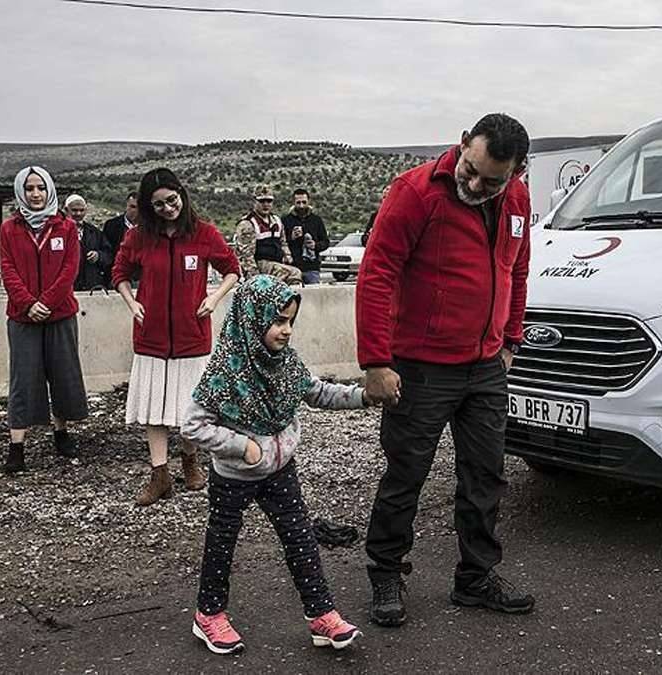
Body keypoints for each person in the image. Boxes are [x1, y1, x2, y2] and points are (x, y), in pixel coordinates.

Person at [356, 113, 535, 626]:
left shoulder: (517, 201)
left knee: (485, 477)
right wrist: (375, 361)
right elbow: (377, 273)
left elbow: (516, 270)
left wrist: (510, 342)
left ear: (517, 173)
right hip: (421, 367)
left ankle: (476, 580)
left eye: (492, 180)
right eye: (471, 168)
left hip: (485, 366)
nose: (475, 184)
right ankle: (386, 573)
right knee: (405, 475)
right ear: (461, 145)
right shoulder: (413, 193)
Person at [181, 275, 367, 655]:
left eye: (290, 322)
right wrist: (241, 446)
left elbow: (318, 393)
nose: (285, 331)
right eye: (278, 321)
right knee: (222, 546)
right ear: (252, 319)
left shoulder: (286, 364)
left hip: (280, 470)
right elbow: (193, 426)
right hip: (234, 477)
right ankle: (209, 615)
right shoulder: (225, 373)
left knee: (301, 540)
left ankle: (321, 615)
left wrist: (365, 396)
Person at [112, 168, 241, 505]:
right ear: (147, 207)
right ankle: (160, 475)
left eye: (172, 200)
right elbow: (120, 272)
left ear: (182, 195)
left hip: (191, 336)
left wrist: (213, 298)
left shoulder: (204, 233)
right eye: (158, 205)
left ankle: (190, 461)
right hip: (151, 336)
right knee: (155, 409)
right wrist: (131, 302)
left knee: (189, 407)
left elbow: (232, 270)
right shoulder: (139, 237)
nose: (168, 209)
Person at [0, 166, 89, 473]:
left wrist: (47, 302)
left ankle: (60, 431)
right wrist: (27, 303)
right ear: (20, 192)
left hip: (59, 313)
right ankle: (17, 445)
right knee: (23, 378)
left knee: (61, 373)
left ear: (49, 190)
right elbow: (7, 269)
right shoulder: (10, 228)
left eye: (40, 188)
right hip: (23, 318)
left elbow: (69, 270)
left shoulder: (65, 227)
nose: (35, 194)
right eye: (29, 188)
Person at [233, 184, 301, 285]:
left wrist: (287, 256)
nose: (266, 204)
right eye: (262, 201)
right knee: (293, 273)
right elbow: (246, 256)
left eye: (269, 201)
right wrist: (255, 280)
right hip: (260, 264)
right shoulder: (248, 224)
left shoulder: (276, 221)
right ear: (255, 202)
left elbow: (283, 242)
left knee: (294, 273)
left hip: (276, 262)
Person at [282, 188, 330, 285]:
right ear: (293, 203)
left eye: (304, 202)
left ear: (309, 201)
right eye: (298, 202)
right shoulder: (285, 220)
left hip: (312, 267)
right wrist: (291, 237)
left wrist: (315, 246)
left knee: (313, 296)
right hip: (292, 267)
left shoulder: (316, 220)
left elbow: (325, 242)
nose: (301, 206)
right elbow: (281, 242)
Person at [66, 194, 113, 291]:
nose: (78, 213)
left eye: (82, 210)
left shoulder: (95, 232)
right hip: (68, 286)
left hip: (90, 286)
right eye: (74, 210)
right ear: (66, 210)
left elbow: (109, 255)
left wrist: (98, 256)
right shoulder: (58, 232)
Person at [102, 191, 139, 258]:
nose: (136, 210)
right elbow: (106, 251)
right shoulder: (111, 225)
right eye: (133, 206)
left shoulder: (150, 227)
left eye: (140, 207)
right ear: (126, 205)